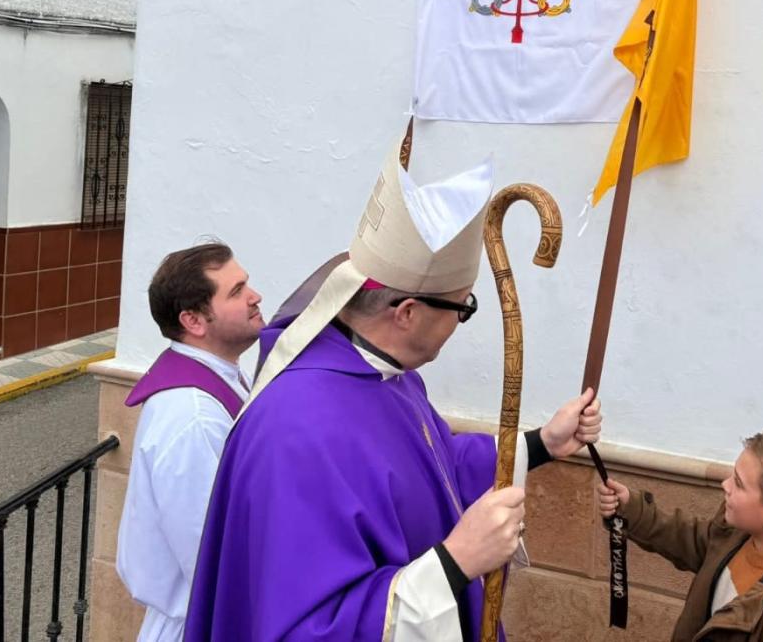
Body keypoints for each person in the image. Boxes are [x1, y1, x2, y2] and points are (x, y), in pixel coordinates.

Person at [185, 136, 602, 641]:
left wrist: (544, 444)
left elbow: (438, 468)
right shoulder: (295, 431)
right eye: (462, 309)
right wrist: (457, 561)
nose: (460, 324)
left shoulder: (389, 379)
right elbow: (308, 627)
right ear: (407, 313)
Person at [116, 242, 264, 642]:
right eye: (236, 291)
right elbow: (209, 559)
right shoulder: (193, 416)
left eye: (246, 284)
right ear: (194, 321)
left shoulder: (218, 379)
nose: (255, 297)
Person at [597, 430, 763, 641]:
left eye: (738, 482)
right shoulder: (737, 536)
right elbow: (689, 539)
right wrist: (631, 509)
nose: (725, 485)